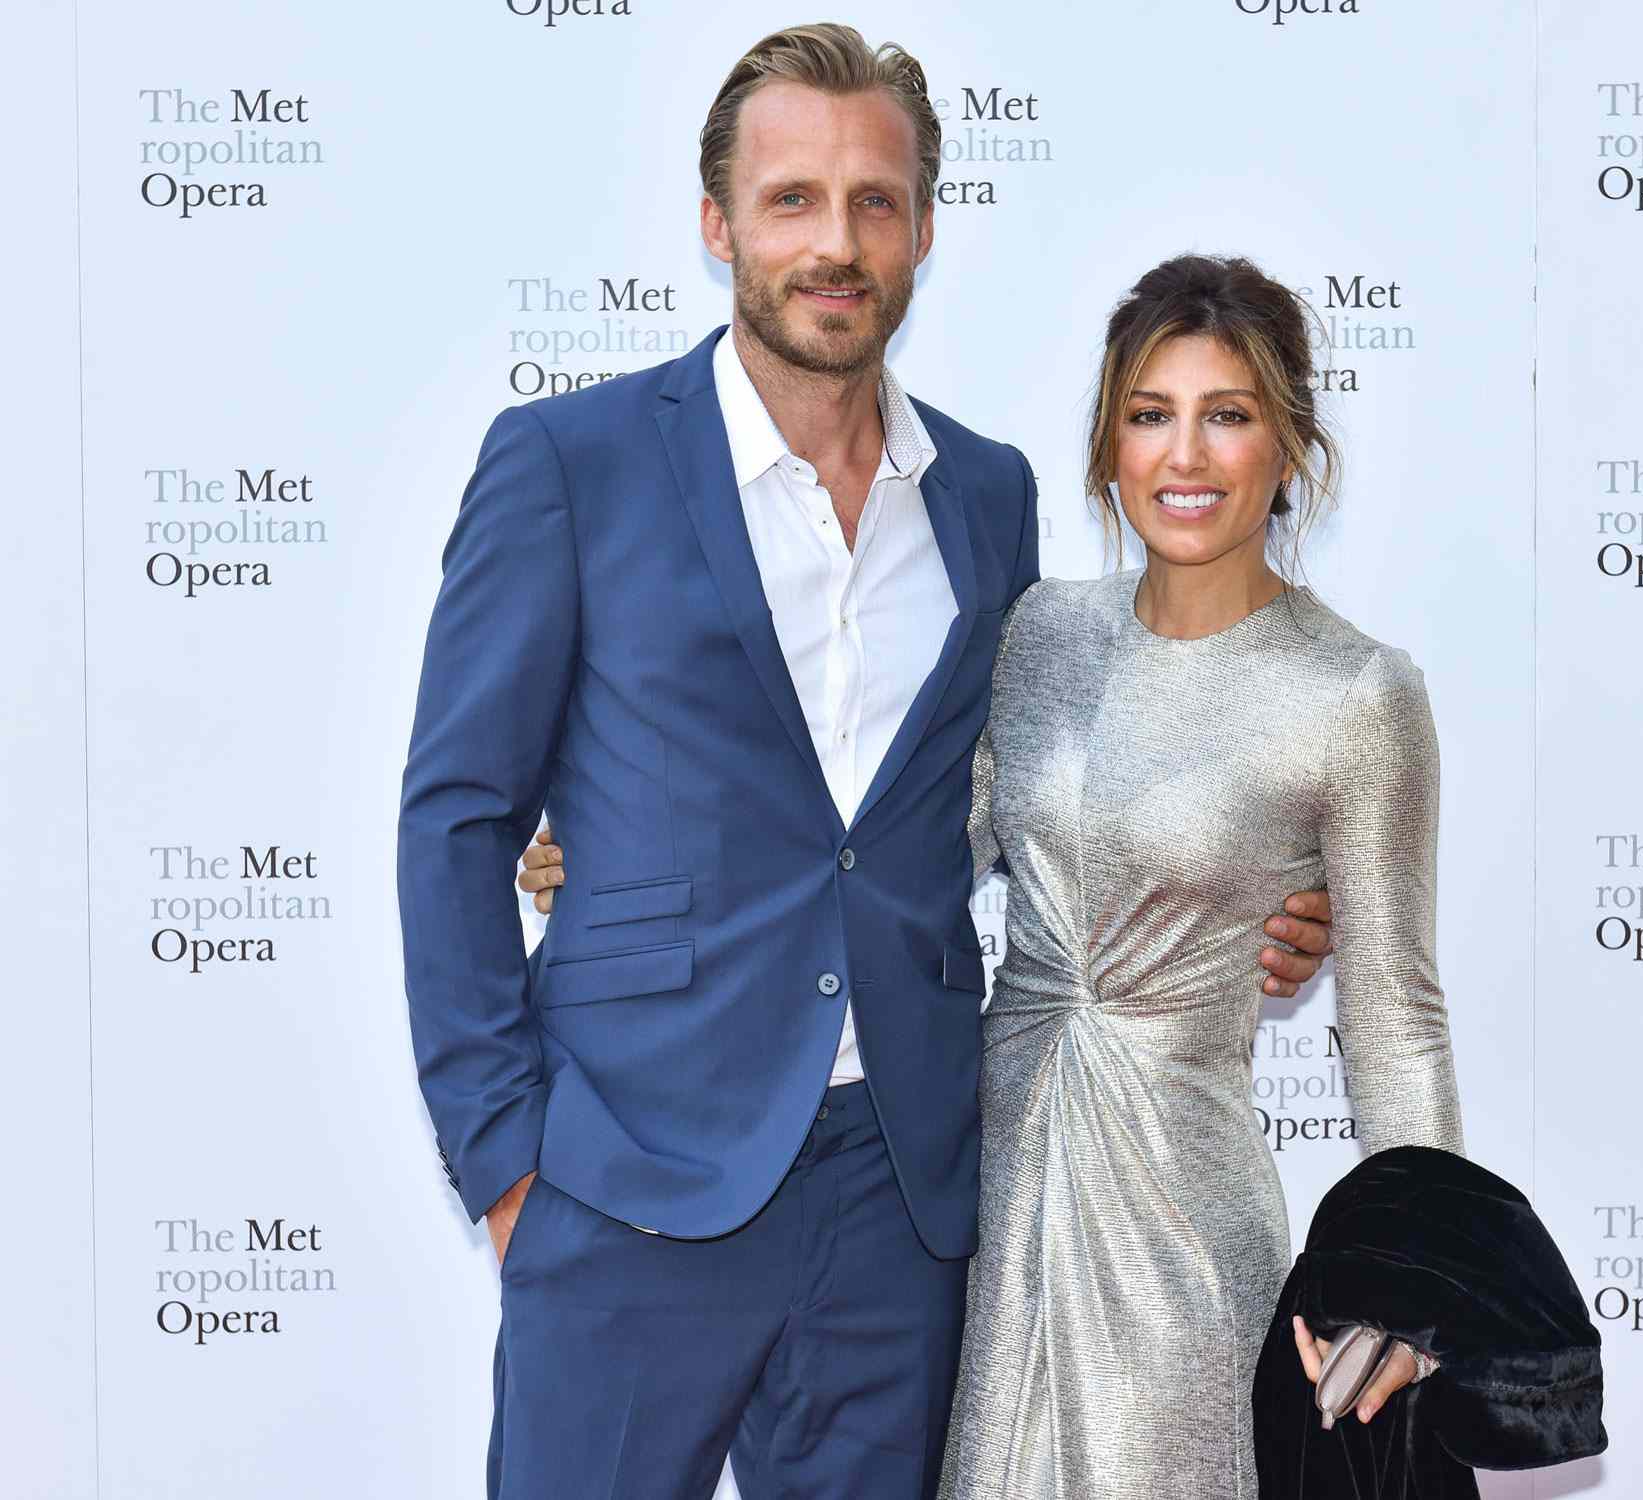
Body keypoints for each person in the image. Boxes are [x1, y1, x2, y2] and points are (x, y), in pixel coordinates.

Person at [396, 25, 1335, 1500]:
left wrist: (1255, 897)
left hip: (901, 1193)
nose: (836, 243)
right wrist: (506, 1158)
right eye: (793, 200)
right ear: (719, 226)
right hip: (628, 1179)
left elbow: (1017, 804)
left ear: (923, 230)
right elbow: (459, 817)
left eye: (874, 203)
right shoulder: (569, 464)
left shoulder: (984, 494)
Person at [525, 255, 1467, 1499]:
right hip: (982, 1194)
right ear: (1106, 445)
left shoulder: (1355, 693)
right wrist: (638, 848)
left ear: (1288, 444)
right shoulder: (1040, 632)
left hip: (1179, 1223)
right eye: (1149, 414)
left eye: (1226, 414)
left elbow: (1397, 1012)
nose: (1183, 456)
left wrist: (1417, 1290)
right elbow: (895, 850)